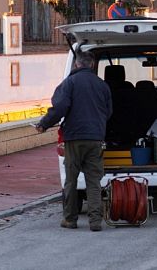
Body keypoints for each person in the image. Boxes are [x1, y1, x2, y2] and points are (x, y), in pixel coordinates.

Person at [36, 51, 112, 231]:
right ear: (92, 65)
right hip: (95, 139)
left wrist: (43, 124)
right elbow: (108, 112)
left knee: (71, 180)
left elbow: (60, 107)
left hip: (73, 139)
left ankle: (70, 219)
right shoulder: (102, 85)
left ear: (76, 64)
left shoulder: (69, 83)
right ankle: (95, 221)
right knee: (93, 181)